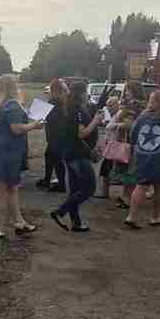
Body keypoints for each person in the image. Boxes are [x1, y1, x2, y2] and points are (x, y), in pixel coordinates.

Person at [0, 74, 43, 238]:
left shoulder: (3, 103)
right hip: (5, 151)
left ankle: (19, 222)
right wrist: (34, 125)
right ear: (13, 86)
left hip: (5, 150)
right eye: (17, 83)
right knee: (0, 189)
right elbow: (16, 129)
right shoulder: (12, 104)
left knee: (12, 188)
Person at [50, 82, 103, 233]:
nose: (88, 95)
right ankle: (60, 212)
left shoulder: (69, 107)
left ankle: (76, 223)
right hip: (78, 154)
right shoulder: (77, 110)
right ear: (81, 93)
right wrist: (95, 122)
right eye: (87, 92)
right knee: (89, 188)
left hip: (70, 154)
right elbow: (81, 133)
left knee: (74, 191)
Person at [124, 90, 160, 229]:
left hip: (142, 155)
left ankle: (132, 216)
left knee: (141, 186)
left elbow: (133, 134)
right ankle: (156, 216)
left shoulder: (142, 117)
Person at [36, 78, 68, 192]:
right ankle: (47, 179)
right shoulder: (62, 101)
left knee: (56, 159)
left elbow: (49, 118)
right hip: (59, 135)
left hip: (56, 135)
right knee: (49, 156)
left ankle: (61, 185)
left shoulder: (54, 102)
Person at [96, 96, 121, 199]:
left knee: (109, 169)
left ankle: (106, 192)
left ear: (117, 105)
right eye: (107, 106)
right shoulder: (111, 115)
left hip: (117, 145)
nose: (109, 108)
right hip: (110, 145)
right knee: (106, 169)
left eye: (111, 105)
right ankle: (105, 192)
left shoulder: (120, 115)